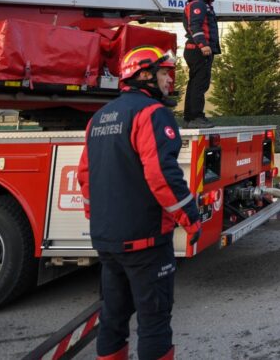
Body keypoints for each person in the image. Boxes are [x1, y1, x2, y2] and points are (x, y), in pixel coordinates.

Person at [78, 46, 202, 360]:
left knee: (113, 320)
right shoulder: (152, 113)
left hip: (108, 242)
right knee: (154, 322)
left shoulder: (99, 118)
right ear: (143, 75)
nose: (168, 81)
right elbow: (162, 176)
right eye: (163, 73)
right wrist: (191, 218)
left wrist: (99, 218)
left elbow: (85, 176)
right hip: (145, 243)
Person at [182, 0, 221, 128]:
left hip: (198, 50)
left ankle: (189, 118)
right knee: (199, 85)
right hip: (199, 50)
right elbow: (195, 25)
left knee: (196, 84)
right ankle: (195, 117)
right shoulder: (198, 4)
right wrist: (203, 45)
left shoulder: (202, 4)